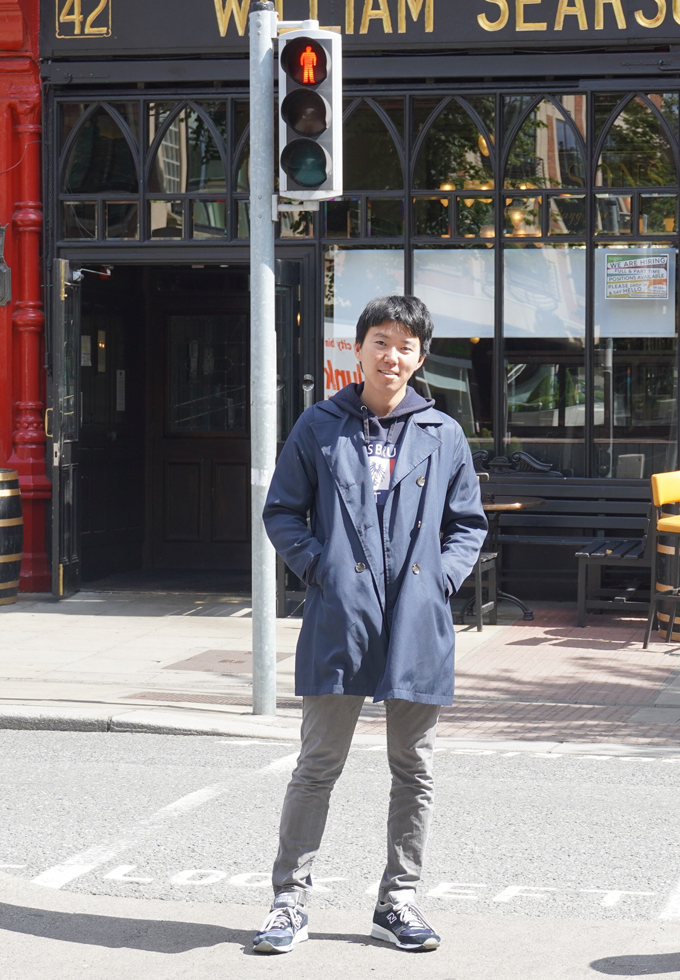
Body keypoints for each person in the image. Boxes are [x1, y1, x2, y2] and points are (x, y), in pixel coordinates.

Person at [253, 294, 487, 954]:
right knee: (317, 765)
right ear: (356, 349)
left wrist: (441, 580)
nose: (391, 354)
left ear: (420, 359)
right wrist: (319, 568)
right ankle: (288, 899)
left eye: (405, 345)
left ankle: (398, 899)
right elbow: (282, 513)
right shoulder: (320, 425)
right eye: (380, 340)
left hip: (417, 622)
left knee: (413, 769)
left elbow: (467, 524)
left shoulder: (442, 434)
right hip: (340, 617)